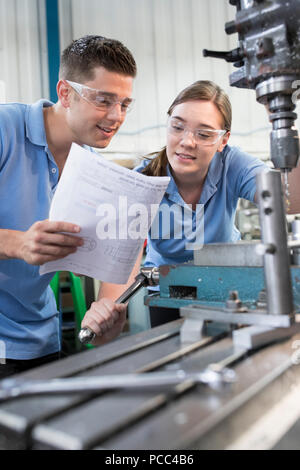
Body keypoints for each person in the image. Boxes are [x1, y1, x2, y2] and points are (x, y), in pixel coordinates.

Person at [0, 35, 137, 377]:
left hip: (39, 340)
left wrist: (109, 305)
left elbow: (117, 250)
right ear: (65, 93)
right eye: (104, 100)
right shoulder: (6, 130)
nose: (116, 116)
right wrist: (17, 244)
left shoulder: (91, 168)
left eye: (124, 104)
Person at [84, 80, 268, 331]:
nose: (187, 141)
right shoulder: (143, 181)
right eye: (178, 127)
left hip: (223, 287)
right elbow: (123, 264)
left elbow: (286, 199)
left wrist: (284, 124)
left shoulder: (232, 165)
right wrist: (106, 311)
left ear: (223, 140)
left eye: (203, 134)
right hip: (168, 293)